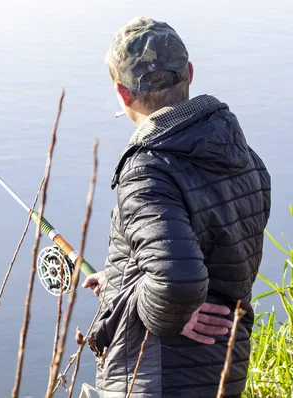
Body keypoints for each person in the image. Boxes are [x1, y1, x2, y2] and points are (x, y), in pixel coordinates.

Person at [81, 17, 271, 398]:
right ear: (190, 74)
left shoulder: (147, 169)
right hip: (221, 367)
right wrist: (123, 279)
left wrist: (164, 309)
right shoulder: (240, 153)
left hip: (159, 375)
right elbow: (206, 250)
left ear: (122, 93)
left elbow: (178, 283)